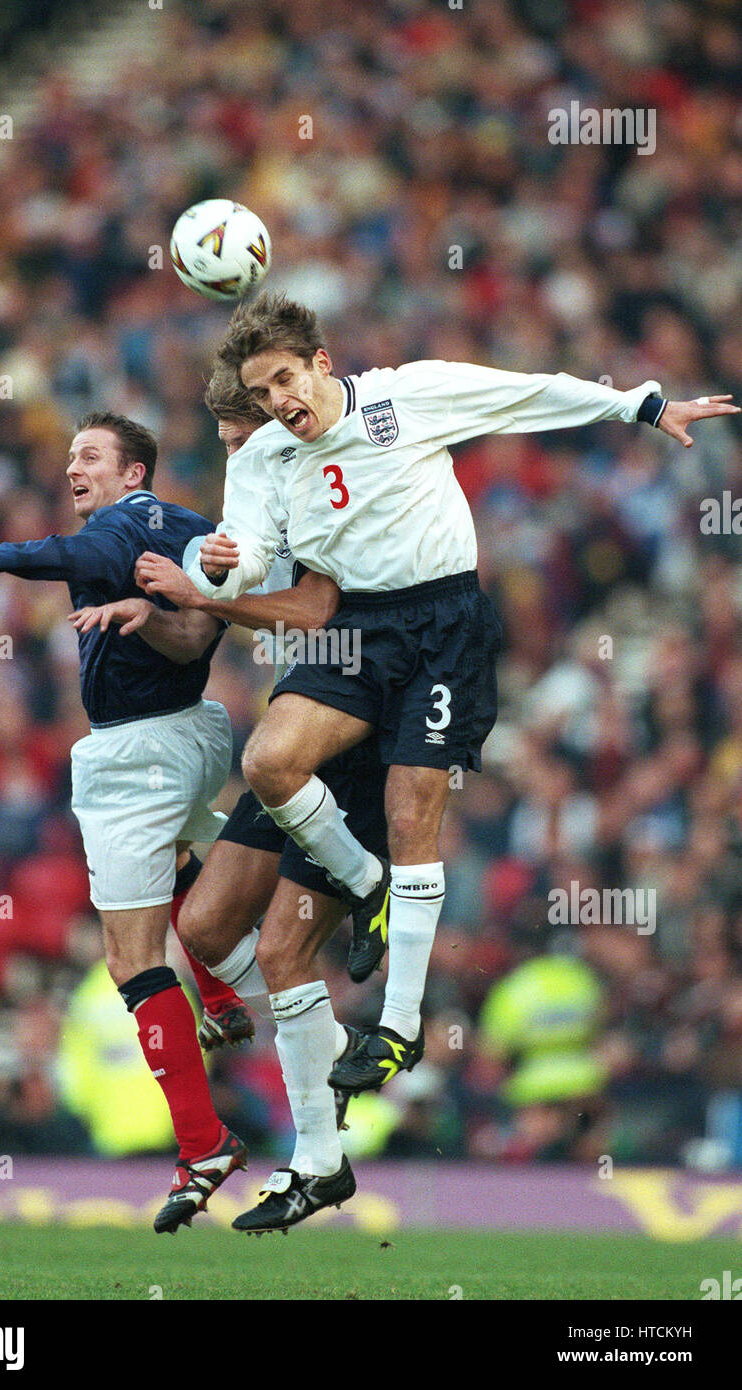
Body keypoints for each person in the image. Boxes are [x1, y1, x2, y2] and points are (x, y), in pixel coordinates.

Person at [176, 290, 738, 1098]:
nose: (278, 404)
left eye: (285, 381)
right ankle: (361, 884)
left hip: (443, 624)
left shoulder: (403, 395)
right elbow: (260, 547)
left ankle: (398, 1027)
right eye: (262, 395)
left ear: (320, 364)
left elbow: (525, 392)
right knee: (268, 757)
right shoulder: (262, 456)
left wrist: (642, 406)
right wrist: (225, 565)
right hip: (358, 633)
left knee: (412, 815)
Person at [0, 410, 251, 1234]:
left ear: (134, 474)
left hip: (135, 753)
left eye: (90, 457)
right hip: (199, 732)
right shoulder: (191, 526)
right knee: (187, 854)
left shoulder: (116, 528)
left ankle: (204, 1144)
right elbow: (216, 601)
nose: (72, 470)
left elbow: (63, 554)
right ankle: (226, 994)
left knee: (130, 961)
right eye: (70, 457)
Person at [84, 367, 390, 1232]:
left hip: (349, 723)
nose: (232, 456)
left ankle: (320, 1149)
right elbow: (211, 622)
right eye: (222, 442)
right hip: (292, 725)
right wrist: (185, 604)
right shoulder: (261, 505)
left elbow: (319, 613)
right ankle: (335, 1058)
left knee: (285, 956)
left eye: (238, 438)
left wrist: (208, 592)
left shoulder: (323, 493)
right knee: (211, 929)